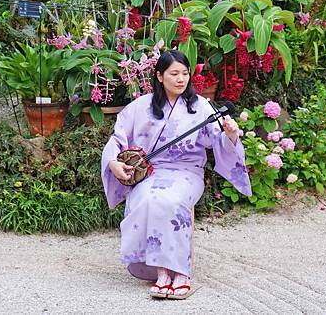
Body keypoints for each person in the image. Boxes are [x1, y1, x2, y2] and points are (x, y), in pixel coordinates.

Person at [101, 49, 252, 299]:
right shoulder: (140, 107)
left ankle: (180, 272)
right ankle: (161, 272)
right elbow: (117, 139)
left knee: (171, 200)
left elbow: (218, 141)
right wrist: (112, 163)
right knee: (146, 198)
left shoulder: (200, 107)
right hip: (152, 172)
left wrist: (231, 134)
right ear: (159, 76)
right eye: (174, 74)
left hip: (187, 171)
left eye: (185, 73)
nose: (181, 79)